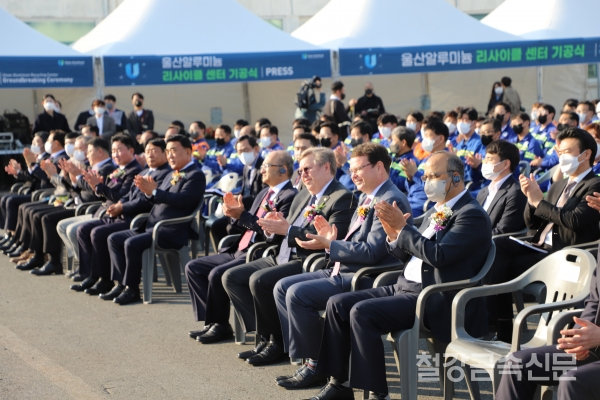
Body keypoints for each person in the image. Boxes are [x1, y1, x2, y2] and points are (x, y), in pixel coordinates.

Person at [304, 151, 491, 400]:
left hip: (434, 295)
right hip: (405, 286)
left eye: (434, 176)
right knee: (337, 304)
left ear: (456, 178)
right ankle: (340, 384)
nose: (427, 182)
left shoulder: (471, 214)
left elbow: (439, 256)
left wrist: (404, 230)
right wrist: (394, 237)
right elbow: (414, 256)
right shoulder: (440, 209)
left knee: (362, 313)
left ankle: (379, 395)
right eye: (425, 176)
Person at [268, 143, 413, 379]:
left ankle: (317, 366)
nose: (353, 175)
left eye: (359, 169)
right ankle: (311, 359)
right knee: (282, 287)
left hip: (367, 276)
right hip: (344, 267)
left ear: (379, 167)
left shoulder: (390, 200)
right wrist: (330, 242)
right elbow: (355, 242)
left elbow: (373, 252)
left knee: (297, 294)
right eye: (351, 170)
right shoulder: (368, 197)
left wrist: (331, 245)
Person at [220, 147, 355, 361]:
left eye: (307, 169)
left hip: (307, 259)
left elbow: (331, 240)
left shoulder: (341, 197)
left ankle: (278, 343)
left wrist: (288, 230)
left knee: (260, 281)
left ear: (326, 167)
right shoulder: (303, 194)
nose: (303, 175)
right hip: (282, 253)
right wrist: (271, 225)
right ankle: (267, 335)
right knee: (232, 277)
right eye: (300, 171)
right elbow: (282, 231)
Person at [489, 128, 600, 342]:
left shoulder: (595, 184)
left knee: (503, 263)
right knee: (497, 249)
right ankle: (499, 323)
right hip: (539, 247)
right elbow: (533, 223)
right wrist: (532, 200)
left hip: (566, 252)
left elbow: (574, 221)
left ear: (586, 154)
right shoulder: (559, 184)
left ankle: (499, 324)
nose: (562, 157)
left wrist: (540, 202)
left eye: (567, 152)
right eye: (559, 153)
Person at [185, 150, 296, 342]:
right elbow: (247, 223)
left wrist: (242, 216)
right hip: (240, 247)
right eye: (262, 166)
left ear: (283, 170)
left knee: (217, 274)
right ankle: (212, 321)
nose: (262, 170)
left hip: (259, 251)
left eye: (266, 166)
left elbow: (272, 232)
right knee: (193, 268)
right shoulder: (264, 192)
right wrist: (234, 215)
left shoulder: (289, 195)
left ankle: (221, 325)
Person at [107, 135, 205, 305]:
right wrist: (148, 192)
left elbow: (184, 201)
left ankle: (132, 289)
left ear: (188, 152)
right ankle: (121, 282)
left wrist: (156, 192)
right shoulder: (172, 174)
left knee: (131, 243)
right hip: (152, 227)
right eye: (168, 152)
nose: (170, 155)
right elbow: (158, 198)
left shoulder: (195, 175)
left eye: (174, 151)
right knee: (114, 239)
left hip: (170, 231)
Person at [71, 139, 172, 296]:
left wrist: (122, 206)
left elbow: (147, 201)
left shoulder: (165, 174)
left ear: (165, 154)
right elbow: (129, 195)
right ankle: (94, 275)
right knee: (84, 229)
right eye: (147, 151)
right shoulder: (144, 172)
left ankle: (113, 281)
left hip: (136, 218)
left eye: (154, 151)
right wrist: (119, 204)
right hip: (121, 213)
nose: (150, 155)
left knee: (100, 233)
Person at [496, 258, 600, 399]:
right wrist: (579, 339)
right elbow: (595, 301)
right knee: (517, 363)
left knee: (573, 381)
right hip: (593, 349)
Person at [56, 134, 142, 281]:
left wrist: (98, 186)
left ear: (131, 150)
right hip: (103, 211)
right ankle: (88, 272)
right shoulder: (119, 169)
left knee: (91, 232)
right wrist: (95, 185)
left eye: (119, 150)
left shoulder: (133, 170)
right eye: (113, 150)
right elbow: (104, 195)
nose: (115, 154)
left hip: (119, 216)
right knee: (80, 229)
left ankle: (99, 277)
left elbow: (119, 197)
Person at [208, 135, 266, 248]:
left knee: (231, 228)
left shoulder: (263, 167)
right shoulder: (246, 167)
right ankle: (225, 255)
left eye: (246, 150)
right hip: (244, 207)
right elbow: (245, 190)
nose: (243, 154)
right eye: (239, 151)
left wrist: (239, 199)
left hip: (257, 212)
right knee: (216, 226)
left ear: (256, 149)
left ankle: (238, 254)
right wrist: (232, 195)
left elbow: (262, 195)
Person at [0, 132, 51, 252]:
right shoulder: (36, 157)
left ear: (44, 144)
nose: (34, 144)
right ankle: (10, 233)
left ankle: (17, 238)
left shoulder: (47, 158)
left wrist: (32, 164)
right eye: (33, 142)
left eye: (37, 142)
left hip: (41, 193)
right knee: (5, 198)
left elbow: (43, 177)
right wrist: (18, 172)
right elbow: (31, 176)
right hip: (33, 191)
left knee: (12, 201)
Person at [476, 140, 527, 235]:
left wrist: (472, 241)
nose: (485, 163)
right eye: (485, 159)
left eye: (489, 159)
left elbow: (503, 230)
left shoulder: (516, 193)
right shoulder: (483, 192)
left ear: (505, 164)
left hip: (492, 246)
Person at [402, 120, 449, 217]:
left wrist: (416, 174)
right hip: (410, 200)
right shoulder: (427, 158)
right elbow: (411, 188)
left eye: (429, 136)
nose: (425, 139)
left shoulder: (445, 159)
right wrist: (410, 178)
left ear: (441, 138)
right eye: (425, 135)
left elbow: (437, 188)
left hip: (424, 205)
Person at [452, 107, 485, 189]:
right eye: (459, 120)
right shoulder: (459, 144)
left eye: (465, 120)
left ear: (474, 123)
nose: (460, 123)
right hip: (456, 182)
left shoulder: (480, 143)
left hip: (470, 185)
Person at [389, 126, 420, 194]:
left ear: (403, 142)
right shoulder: (392, 156)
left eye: (394, 140)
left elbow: (399, 185)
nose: (391, 143)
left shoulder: (410, 162)